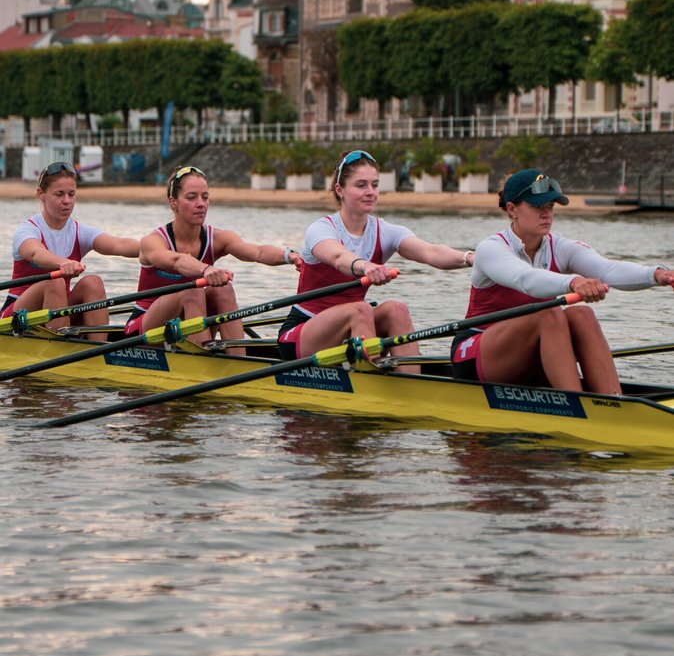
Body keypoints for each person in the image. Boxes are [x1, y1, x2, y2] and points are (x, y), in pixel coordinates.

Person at [451, 168, 674, 394]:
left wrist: (658, 274)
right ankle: (575, 405)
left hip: (529, 352)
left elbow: (608, 269)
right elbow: (526, 279)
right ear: (512, 209)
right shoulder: (491, 248)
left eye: (550, 206)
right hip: (475, 353)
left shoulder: (560, 246)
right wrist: (575, 282)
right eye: (537, 206)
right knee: (550, 315)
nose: (547, 214)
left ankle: (612, 400)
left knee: (581, 314)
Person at [277, 149, 474, 371]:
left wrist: (469, 258)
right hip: (301, 333)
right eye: (361, 185)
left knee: (396, 309)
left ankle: (411, 381)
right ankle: (370, 376)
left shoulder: (384, 230)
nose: (370, 192)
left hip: (353, 331)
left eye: (375, 185)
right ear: (340, 190)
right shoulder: (321, 229)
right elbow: (339, 257)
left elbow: (431, 252)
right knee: (360, 309)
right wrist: (366, 266)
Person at [124, 164, 302, 345]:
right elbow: (178, 261)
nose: (200, 203)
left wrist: (290, 255)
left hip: (187, 321)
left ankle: (235, 358)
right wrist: (207, 269)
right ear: (173, 202)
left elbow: (258, 252)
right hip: (143, 327)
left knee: (223, 289)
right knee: (191, 292)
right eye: (191, 197)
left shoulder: (217, 238)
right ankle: (203, 359)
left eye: (205, 197)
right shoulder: (153, 241)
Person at [3, 160, 140, 341]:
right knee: (56, 281)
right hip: (16, 317)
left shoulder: (79, 231)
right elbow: (36, 253)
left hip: (57, 313)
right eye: (59, 194)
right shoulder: (27, 230)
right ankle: (60, 348)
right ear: (41, 194)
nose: (66, 201)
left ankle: (98, 353)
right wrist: (62, 263)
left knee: (93, 282)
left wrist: (160, 251)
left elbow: (118, 245)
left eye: (71, 194)